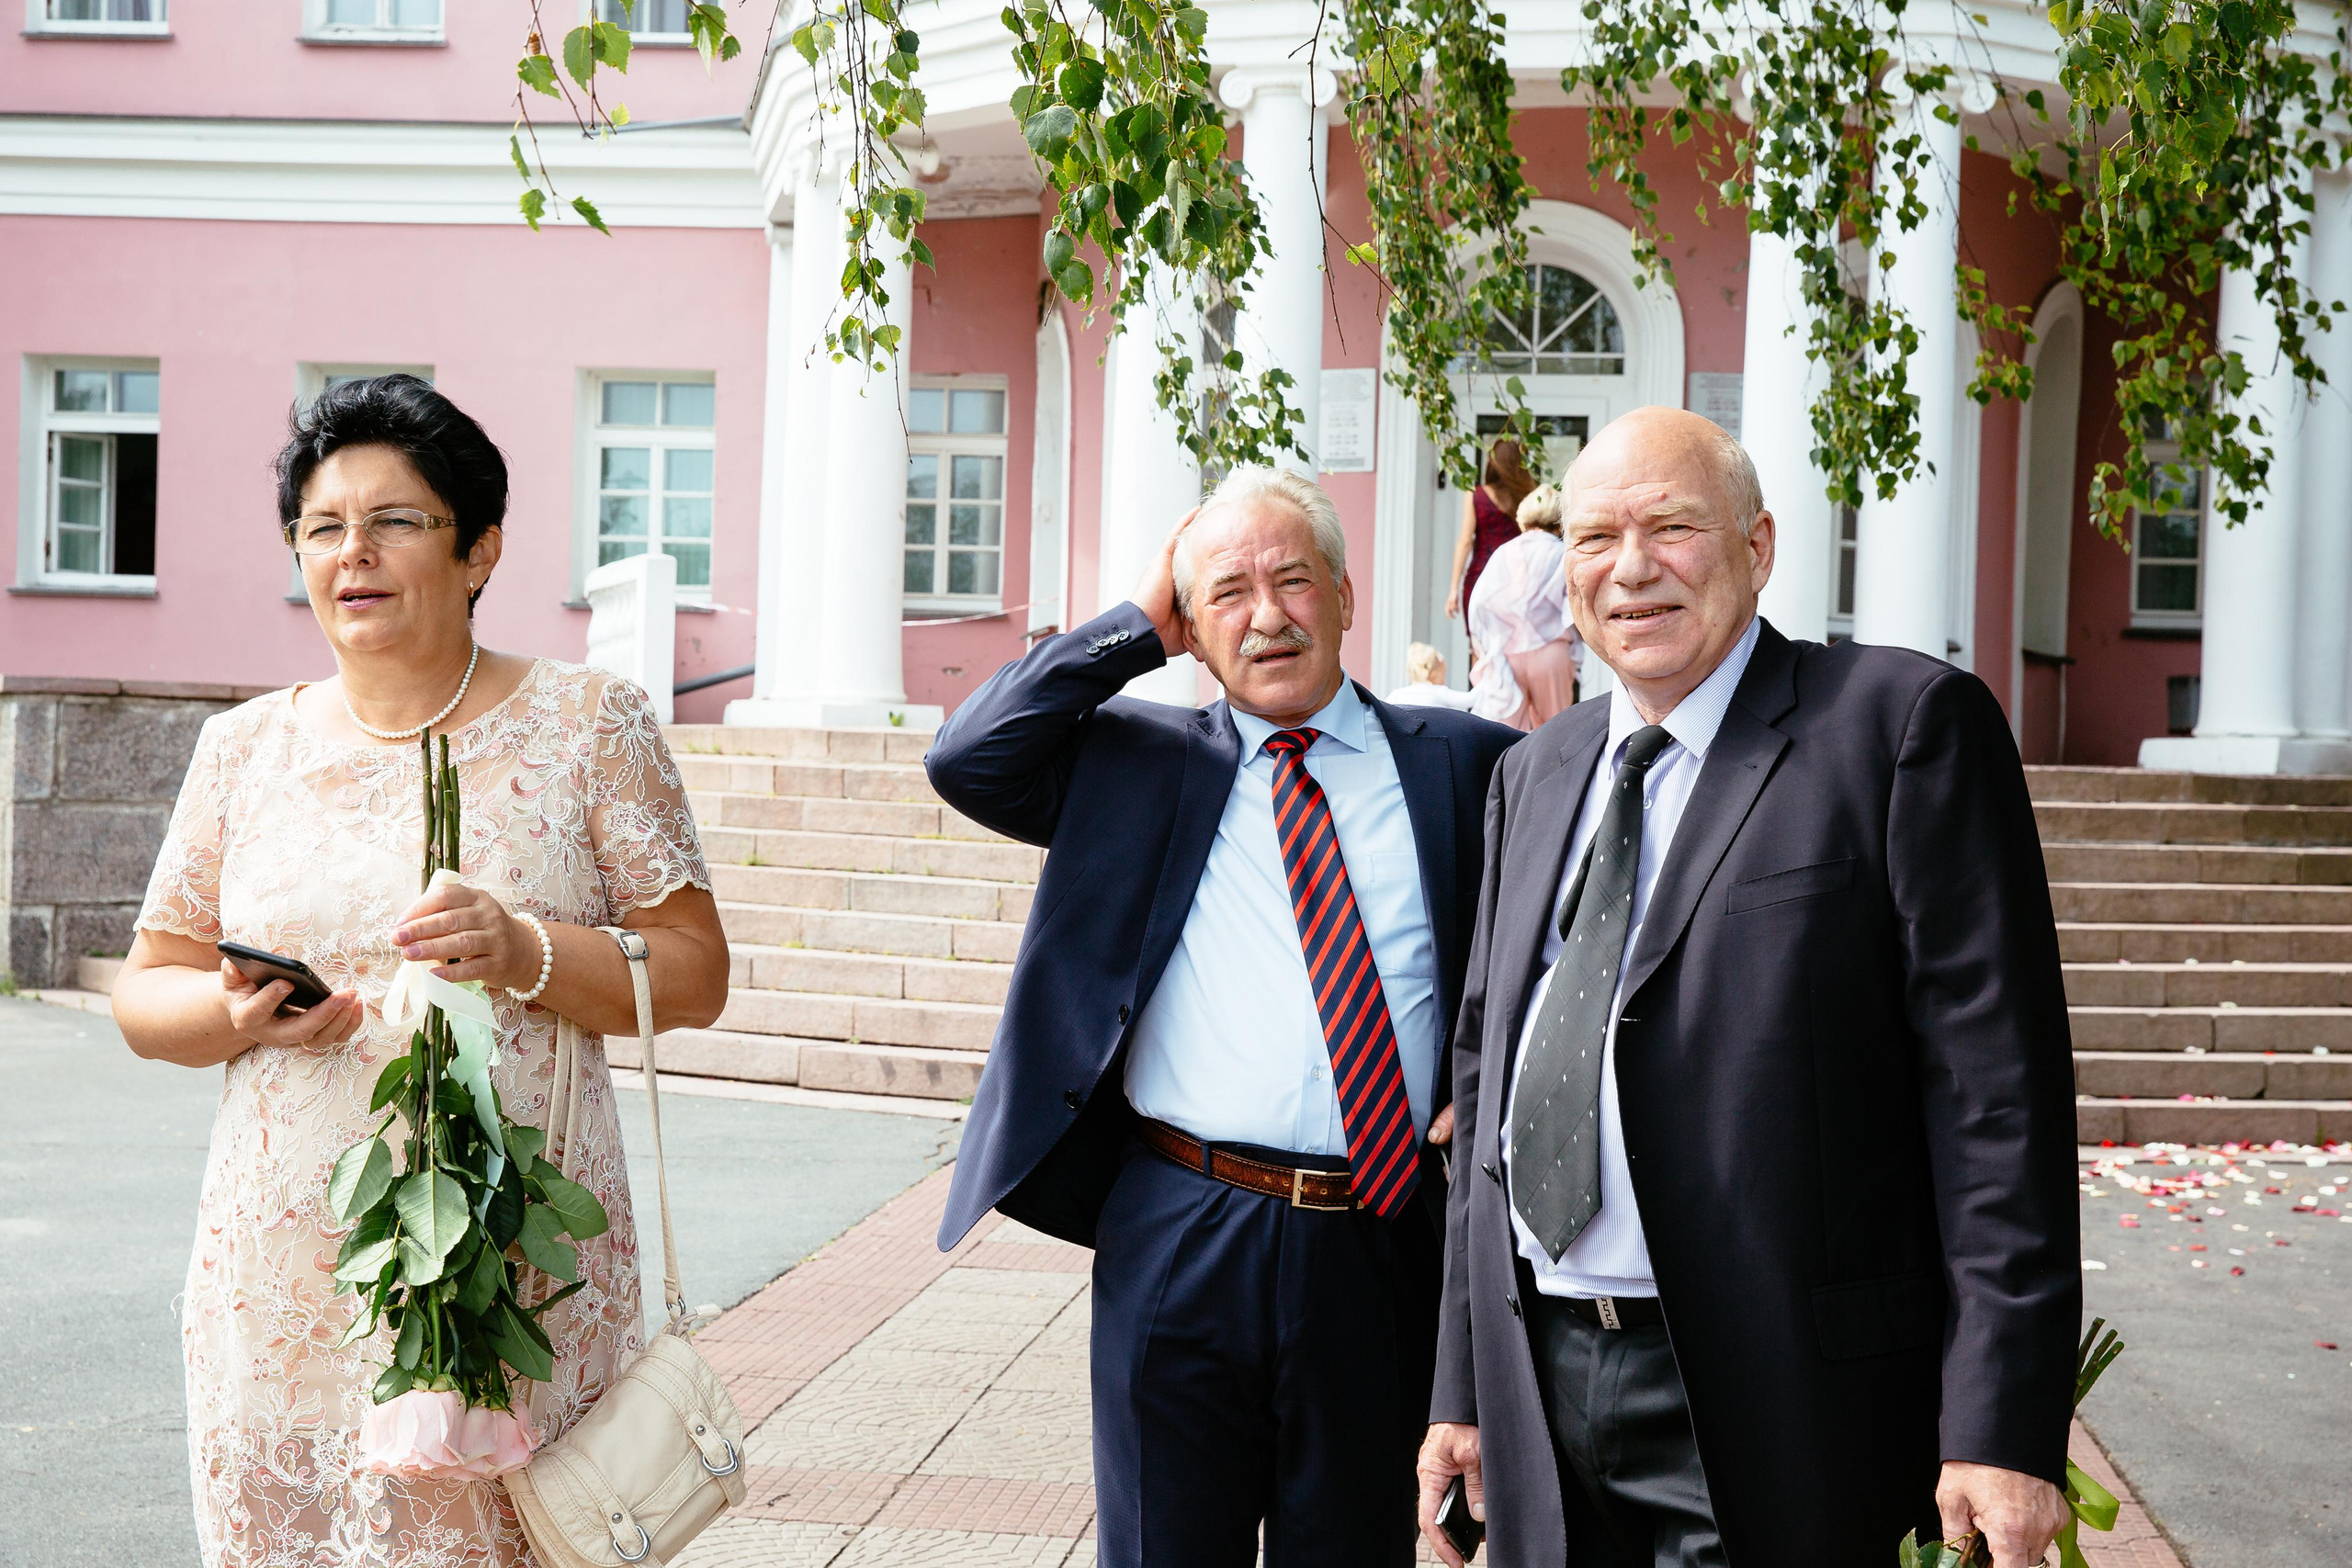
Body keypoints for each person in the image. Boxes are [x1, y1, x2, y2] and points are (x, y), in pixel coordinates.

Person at [1417, 407, 2079, 1568]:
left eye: (1670, 527)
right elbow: (1486, 1090)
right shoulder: (1534, 771)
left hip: (1781, 1396)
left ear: (1759, 547)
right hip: (1546, 1386)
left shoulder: (1896, 728)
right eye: (1592, 538)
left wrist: (2000, 1425)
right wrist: (1463, 1388)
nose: (1629, 568)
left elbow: (1998, 1105)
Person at [110, 375, 732, 1568]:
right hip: (282, 1282)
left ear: (480, 544)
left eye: (395, 520)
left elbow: (697, 971)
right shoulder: (242, 748)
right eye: (325, 527)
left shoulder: (589, 724)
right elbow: (148, 992)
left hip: (513, 1287)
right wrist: (232, 1012)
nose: (355, 553)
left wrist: (527, 949)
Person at [926, 467, 1521, 1566]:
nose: (1267, 615)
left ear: (1345, 595)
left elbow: (1543, 955)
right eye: (1228, 593)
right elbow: (969, 758)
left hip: (1382, 1236)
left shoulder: (1467, 766)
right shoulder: (1135, 764)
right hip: (1181, 1220)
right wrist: (1134, 625)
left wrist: (1486, 1094)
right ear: (1191, 629)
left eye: (1293, 581)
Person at [1467, 483, 1584, 730]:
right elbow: (1574, 603)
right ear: (1560, 522)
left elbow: (1479, 603)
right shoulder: (1563, 553)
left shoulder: (1503, 552)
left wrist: (1484, 645)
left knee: (1506, 733)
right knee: (1555, 732)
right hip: (1551, 650)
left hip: (1509, 653)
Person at [1444, 436, 1537, 625]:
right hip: (1517, 579)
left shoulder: (1475, 495)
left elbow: (1465, 541)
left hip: (1481, 576)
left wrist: (1453, 589)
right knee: (1515, 644)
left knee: (1479, 645)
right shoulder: (1527, 496)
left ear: (1491, 462)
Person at [1386, 640, 1477, 711]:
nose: (1443, 681)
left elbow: (1379, 711)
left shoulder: (1397, 694)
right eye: (1442, 675)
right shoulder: (1438, 692)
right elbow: (1470, 699)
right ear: (1434, 674)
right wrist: (1487, 674)